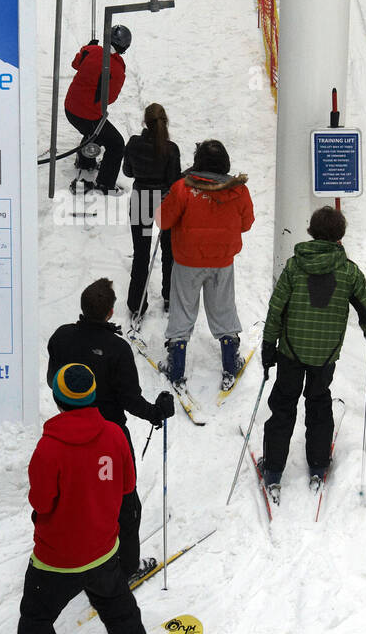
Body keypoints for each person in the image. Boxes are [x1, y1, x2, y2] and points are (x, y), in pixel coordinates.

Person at [46, 278, 173, 581]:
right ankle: (127, 568)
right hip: (108, 436)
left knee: (79, 497)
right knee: (125, 503)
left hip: (68, 431)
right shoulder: (117, 349)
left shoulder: (62, 337)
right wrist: (156, 412)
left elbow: (54, 379)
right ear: (111, 311)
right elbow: (130, 399)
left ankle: (80, 554)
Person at [17, 363, 146, 634]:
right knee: (121, 614)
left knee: (35, 620)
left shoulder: (48, 449)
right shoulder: (114, 435)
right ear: (92, 395)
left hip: (55, 561)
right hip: (103, 553)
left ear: (57, 398)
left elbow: (41, 503)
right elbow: (127, 487)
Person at [260, 206, 366, 494]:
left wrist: (268, 344)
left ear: (311, 231)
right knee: (318, 402)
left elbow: (276, 309)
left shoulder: (293, 266)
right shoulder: (349, 271)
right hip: (325, 355)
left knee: (283, 405)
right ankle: (318, 464)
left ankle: (273, 468)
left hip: (291, 351)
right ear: (340, 235)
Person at [155, 139, 255, 391]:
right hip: (221, 260)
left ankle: (176, 366)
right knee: (223, 308)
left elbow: (163, 221)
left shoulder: (182, 188)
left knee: (183, 309)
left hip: (187, 261)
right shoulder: (238, 190)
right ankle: (230, 362)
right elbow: (246, 223)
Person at [122, 104, 181, 322]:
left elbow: (128, 171)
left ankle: (137, 303)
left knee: (141, 252)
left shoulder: (134, 144)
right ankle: (169, 297)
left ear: (145, 122)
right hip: (164, 201)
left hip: (140, 199)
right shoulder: (171, 148)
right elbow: (174, 181)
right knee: (169, 250)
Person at [63, 26, 132, 195]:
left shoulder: (91, 50)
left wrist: (87, 48)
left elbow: (75, 64)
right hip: (88, 115)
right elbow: (110, 98)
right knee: (116, 144)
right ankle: (105, 183)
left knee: (95, 132)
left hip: (70, 108)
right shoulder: (116, 68)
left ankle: (86, 162)